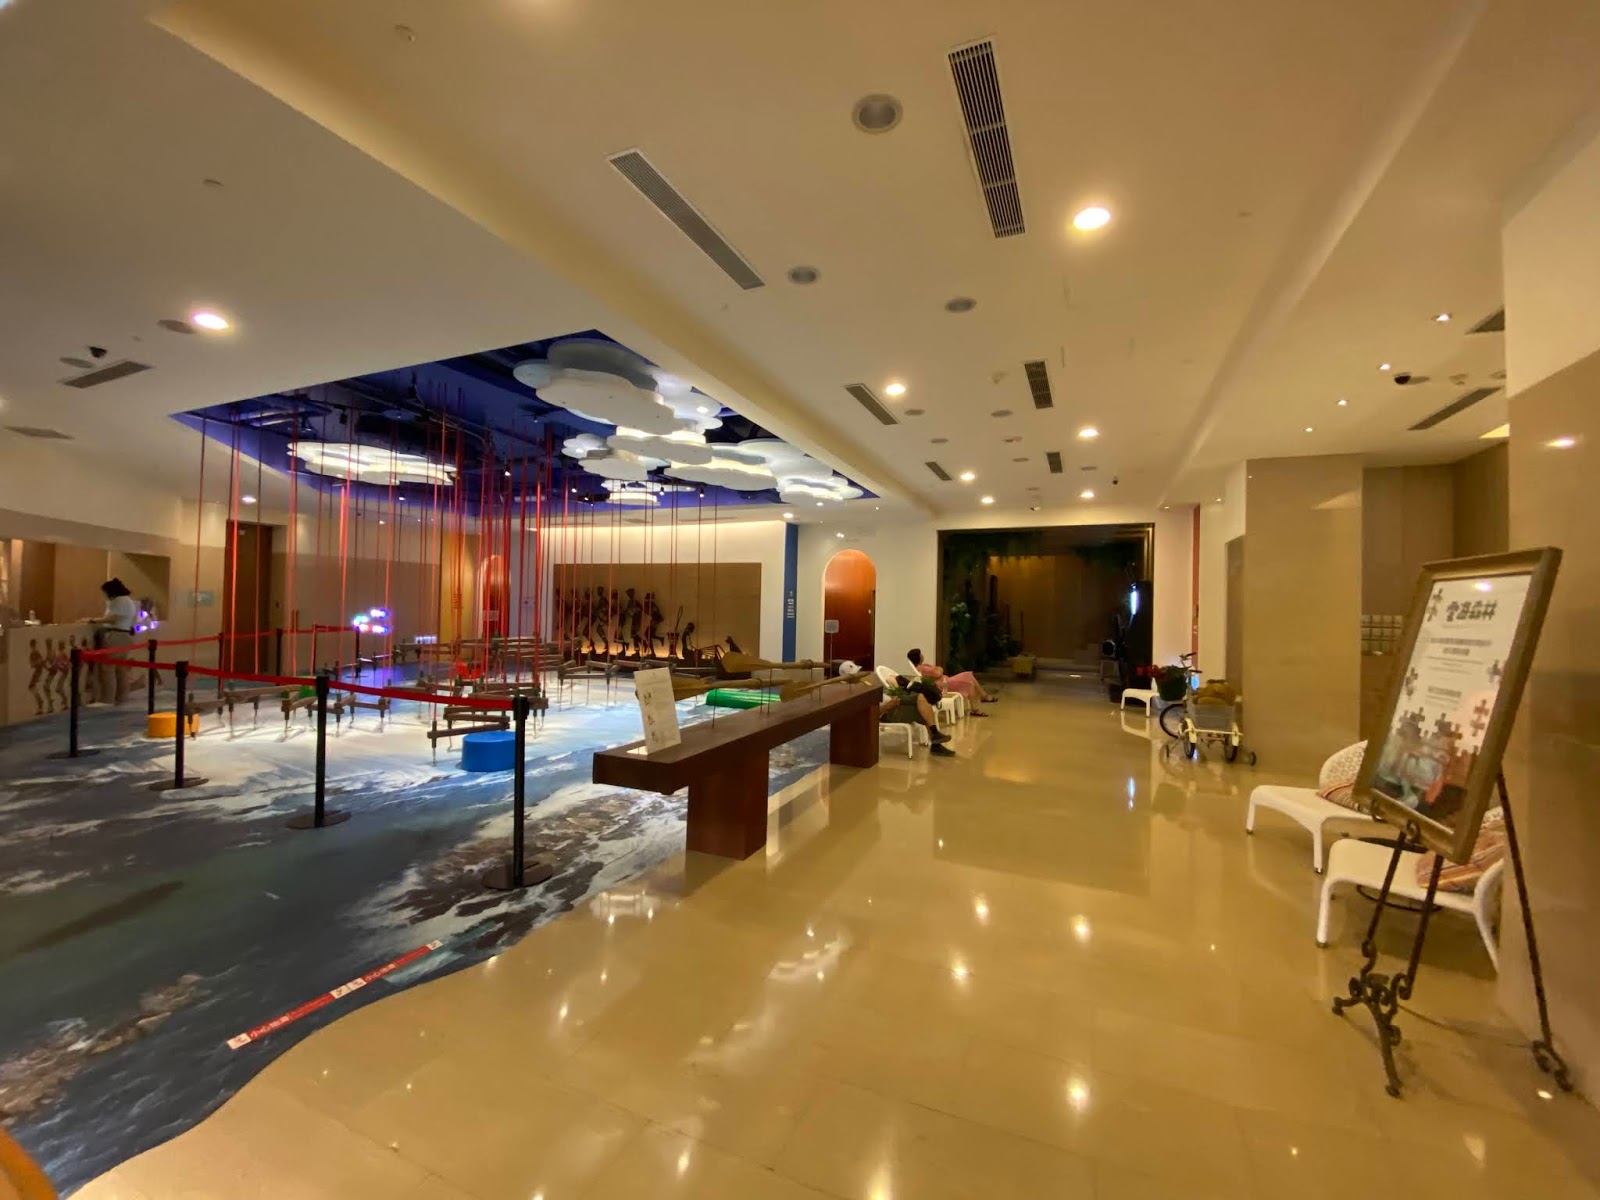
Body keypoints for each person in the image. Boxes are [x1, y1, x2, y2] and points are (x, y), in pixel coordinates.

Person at [82, 577, 137, 704]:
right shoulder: (129, 601)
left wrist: (92, 620)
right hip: (125, 636)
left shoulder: (119, 601)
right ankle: (121, 697)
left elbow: (113, 618)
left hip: (115, 636)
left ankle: (107, 699)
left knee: (108, 669)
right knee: (120, 669)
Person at [879, 673, 955, 757]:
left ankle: (935, 738)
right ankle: (935, 740)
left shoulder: (876, 688)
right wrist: (889, 705)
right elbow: (874, 713)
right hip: (887, 714)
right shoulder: (870, 693)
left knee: (922, 704)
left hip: (895, 706)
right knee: (921, 703)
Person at [908, 647, 997, 714]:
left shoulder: (922, 666)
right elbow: (938, 673)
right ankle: (977, 705)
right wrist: (939, 668)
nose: (922, 655)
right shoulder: (921, 668)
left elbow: (937, 671)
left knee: (968, 675)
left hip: (945, 681)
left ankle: (983, 697)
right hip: (944, 684)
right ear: (918, 657)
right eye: (921, 654)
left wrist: (938, 669)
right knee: (968, 681)